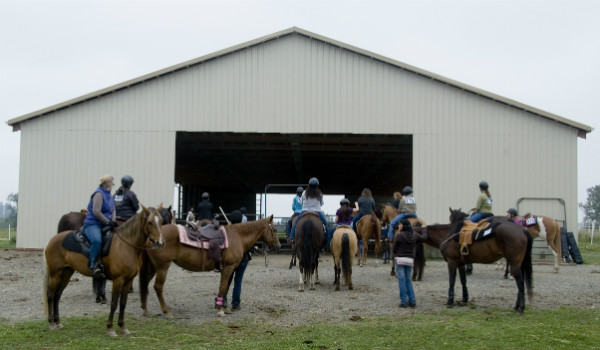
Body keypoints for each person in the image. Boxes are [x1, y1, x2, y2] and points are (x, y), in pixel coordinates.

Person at [83, 175, 117, 279]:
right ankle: (93, 265)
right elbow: (96, 211)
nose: (113, 185)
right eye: (112, 183)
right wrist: (108, 221)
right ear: (108, 184)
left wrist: (113, 221)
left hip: (105, 223)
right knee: (97, 240)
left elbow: (113, 209)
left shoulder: (109, 195)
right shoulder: (98, 194)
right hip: (93, 224)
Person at [393, 219, 427, 308]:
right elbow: (424, 238)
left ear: (403, 226)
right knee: (408, 280)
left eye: (400, 225)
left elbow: (394, 249)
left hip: (400, 260)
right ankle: (412, 301)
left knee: (402, 280)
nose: (399, 226)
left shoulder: (399, 235)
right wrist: (424, 229)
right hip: (410, 260)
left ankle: (404, 302)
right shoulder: (414, 235)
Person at [224, 209, 251, 313]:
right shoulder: (244, 231)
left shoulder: (227, 230)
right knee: (238, 280)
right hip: (243, 258)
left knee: (226, 280)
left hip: (230, 258)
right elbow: (249, 243)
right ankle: (235, 304)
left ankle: (222, 301)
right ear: (241, 220)